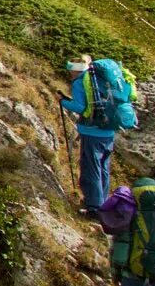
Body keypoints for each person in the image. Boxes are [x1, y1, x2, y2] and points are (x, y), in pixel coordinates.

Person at [59, 54, 139, 216]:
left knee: (91, 169)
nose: (69, 74)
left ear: (75, 70)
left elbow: (82, 108)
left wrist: (62, 102)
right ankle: (102, 204)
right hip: (109, 130)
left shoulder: (82, 81)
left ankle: (94, 208)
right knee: (103, 168)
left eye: (70, 70)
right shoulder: (100, 81)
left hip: (92, 131)